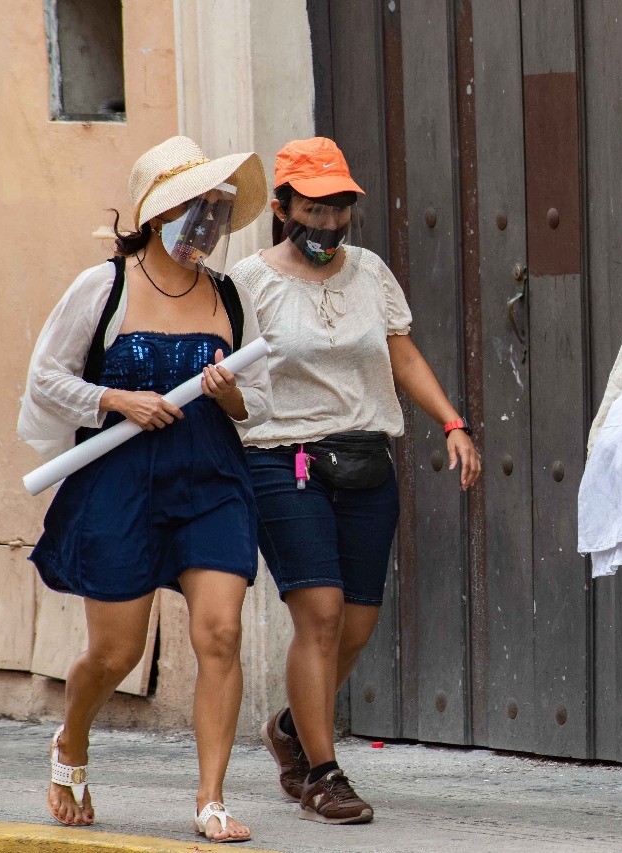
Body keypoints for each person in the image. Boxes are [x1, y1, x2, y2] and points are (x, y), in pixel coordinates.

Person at [18, 136, 272, 842]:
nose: (209, 223)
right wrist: (119, 399)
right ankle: (71, 740)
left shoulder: (229, 293)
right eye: (197, 207)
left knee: (219, 631)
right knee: (116, 652)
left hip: (211, 476)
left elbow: (263, 402)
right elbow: (47, 378)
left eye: (217, 209)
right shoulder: (104, 286)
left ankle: (211, 798)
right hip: (121, 482)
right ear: (161, 212)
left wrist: (227, 397)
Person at [231, 137, 481, 825]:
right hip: (285, 460)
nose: (329, 222)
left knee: (358, 623)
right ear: (282, 207)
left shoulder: (370, 271)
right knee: (321, 614)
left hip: (367, 459)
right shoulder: (249, 281)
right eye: (313, 207)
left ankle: (290, 728)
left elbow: (399, 351)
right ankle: (322, 771)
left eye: (339, 207)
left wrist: (452, 421)